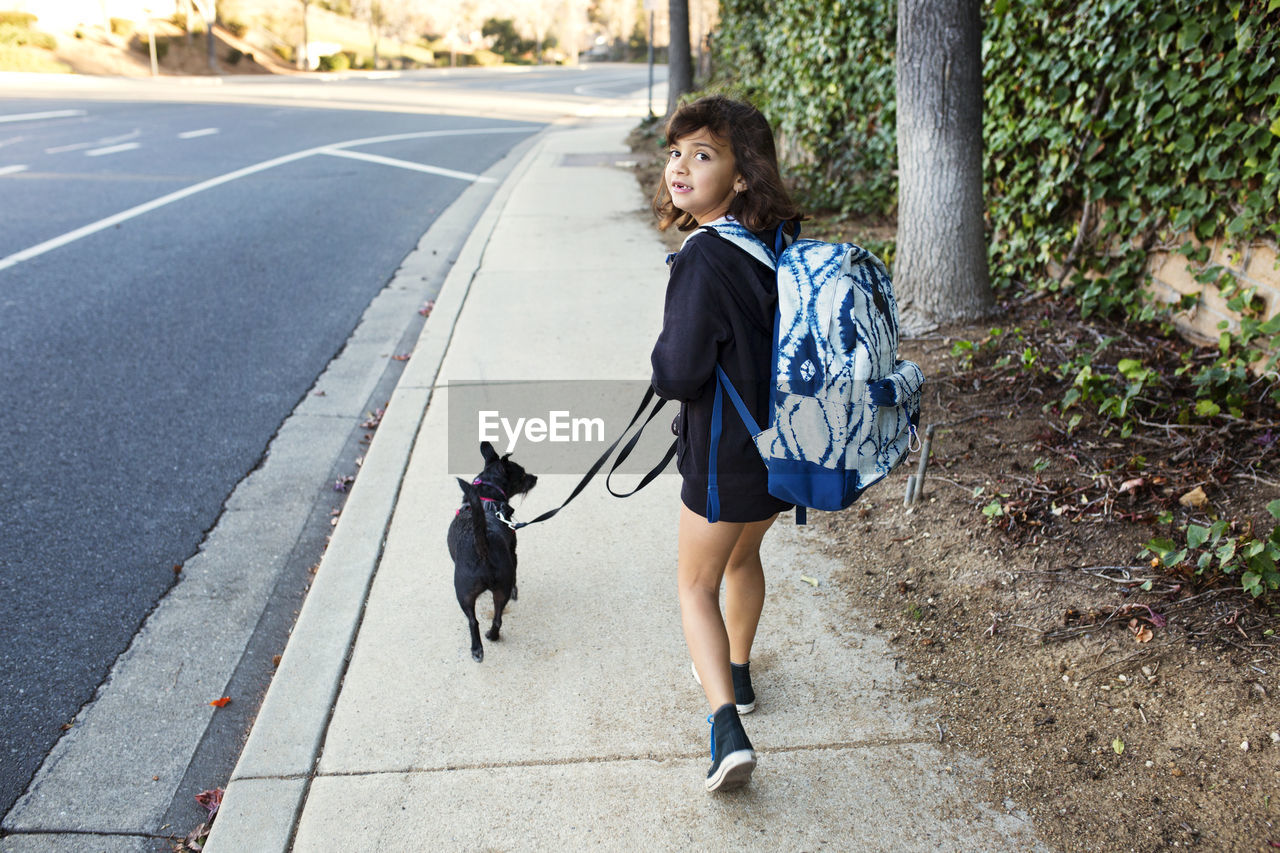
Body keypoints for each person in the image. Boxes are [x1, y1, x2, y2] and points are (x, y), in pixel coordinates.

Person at [649, 94, 802, 792]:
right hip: (785, 449)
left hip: (722, 457)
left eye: (703, 155)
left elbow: (679, 372)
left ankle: (724, 728)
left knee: (695, 583)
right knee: (744, 557)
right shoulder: (779, 241)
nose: (681, 167)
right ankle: (739, 675)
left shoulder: (704, 256)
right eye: (676, 152)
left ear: (741, 176)